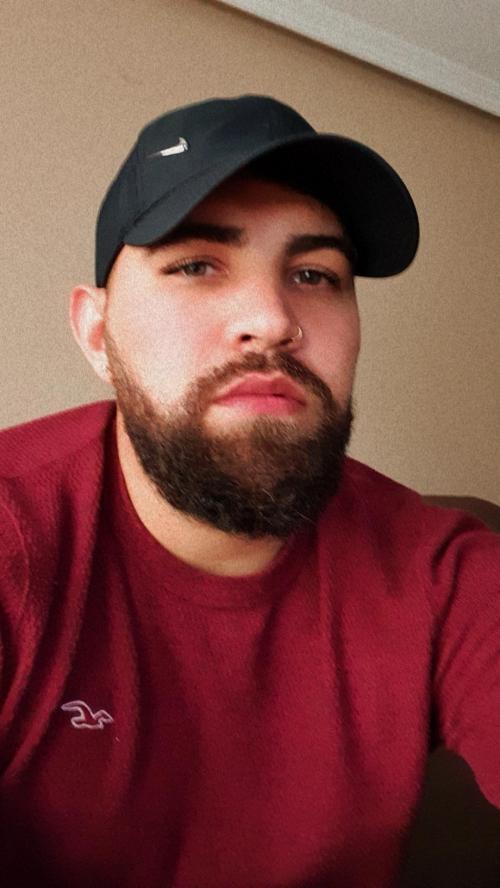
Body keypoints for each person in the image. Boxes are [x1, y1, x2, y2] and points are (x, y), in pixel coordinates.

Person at [0, 94, 498, 888]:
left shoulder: (443, 573)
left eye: (314, 274)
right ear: (96, 332)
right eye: (197, 265)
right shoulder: (14, 539)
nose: (271, 319)